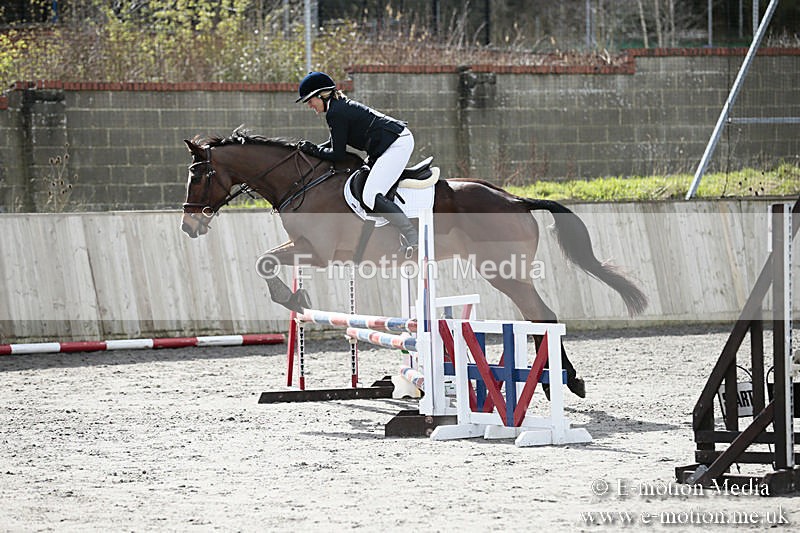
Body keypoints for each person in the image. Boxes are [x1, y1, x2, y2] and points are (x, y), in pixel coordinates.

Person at [295, 71, 418, 256]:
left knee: (370, 195)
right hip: (387, 145)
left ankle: (412, 237)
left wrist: (311, 150)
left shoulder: (336, 112)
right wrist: (312, 149)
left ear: (321, 95)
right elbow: (333, 143)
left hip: (396, 145)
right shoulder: (337, 108)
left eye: (310, 100)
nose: (309, 105)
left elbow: (337, 154)